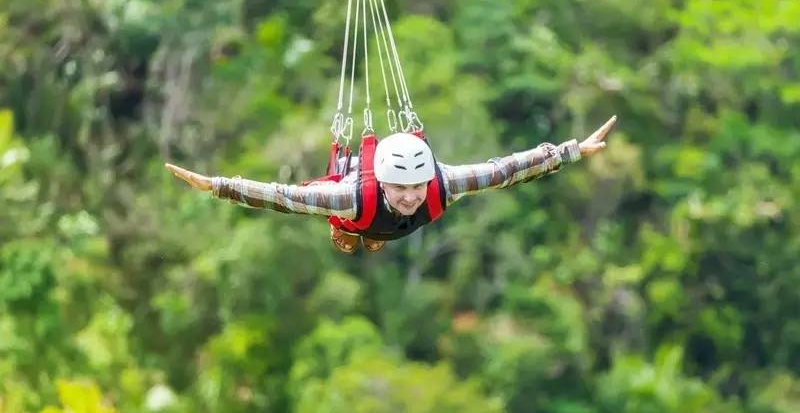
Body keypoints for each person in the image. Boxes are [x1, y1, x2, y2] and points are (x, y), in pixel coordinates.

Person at [165, 115, 617, 253]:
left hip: (377, 222)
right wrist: (218, 186)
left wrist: (572, 150)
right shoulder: (348, 194)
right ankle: (349, 233)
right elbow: (284, 197)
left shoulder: (443, 184)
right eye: (400, 189)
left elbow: (505, 170)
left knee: (392, 220)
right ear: (381, 184)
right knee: (350, 224)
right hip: (357, 217)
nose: (410, 196)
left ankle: (366, 236)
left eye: (416, 187)